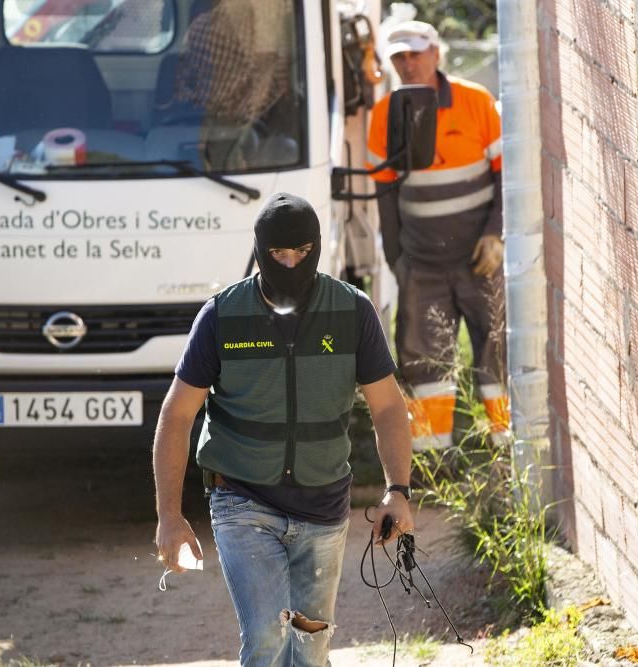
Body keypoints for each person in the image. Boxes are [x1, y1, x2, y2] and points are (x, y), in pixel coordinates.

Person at [153, 192, 415, 666]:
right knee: (267, 638)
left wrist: (398, 490)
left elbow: (389, 408)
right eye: (278, 254)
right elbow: (177, 415)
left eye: (302, 252)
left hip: (323, 505)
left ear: (316, 248)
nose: (291, 263)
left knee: (310, 649)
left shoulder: (351, 311)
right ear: (259, 251)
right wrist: (170, 516)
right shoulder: (221, 317)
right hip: (242, 500)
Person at [366, 20, 510, 450]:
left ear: (436, 54)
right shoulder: (384, 115)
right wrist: (399, 263)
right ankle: (433, 463)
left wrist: (496, 234)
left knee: (497, 348)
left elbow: (508, 178)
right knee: (423, 361)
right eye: (398, 57)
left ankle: (507, 450)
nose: (407, 64)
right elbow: (385, 197)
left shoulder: (476, 102)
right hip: (422, 264)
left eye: (415, 53)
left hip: (479, 257)